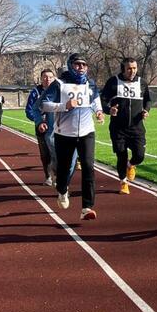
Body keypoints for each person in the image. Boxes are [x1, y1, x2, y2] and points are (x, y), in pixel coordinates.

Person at [42, 53, 104, 220]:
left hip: (86, 132)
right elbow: (43, 104)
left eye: (84, 65)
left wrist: (99, 112)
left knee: (89, 167)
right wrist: (64, 106)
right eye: (78, 64)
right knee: (64, 168)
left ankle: (87, 207)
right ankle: (62, 190)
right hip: (64, 133)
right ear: (70, 65)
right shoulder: (59, 84)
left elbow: (95, 100)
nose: (81, 68)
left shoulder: (90, 84)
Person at [100, 57, 151, 195]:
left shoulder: (142, 83)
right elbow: (103, 100)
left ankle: (132, 164)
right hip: (118, 128)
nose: (132, 71)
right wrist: (108, 110)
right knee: (121, 156)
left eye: (134, 68)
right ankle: (123, 182)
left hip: (137, 127)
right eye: (129, 68)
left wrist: (146, 110)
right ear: (123, 68)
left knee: (140, 155)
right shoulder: (113, 82)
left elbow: (148, 100)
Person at [26, 69, 56, 186]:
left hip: (57, 126)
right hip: (42, 126)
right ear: (41, 79)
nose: (47, 79)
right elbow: (29, 110)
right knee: (45, 153)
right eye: (44, 77)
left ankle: (58, 175)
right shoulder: (35, 92)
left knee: (58, 152)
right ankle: (48, 176)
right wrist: (38, 122)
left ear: (54, 78)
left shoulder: (59, 90)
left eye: (50, 77)